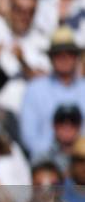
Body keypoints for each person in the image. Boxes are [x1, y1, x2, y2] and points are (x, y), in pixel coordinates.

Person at [20, 25, 85, 157]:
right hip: (47, 162)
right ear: (51, 57)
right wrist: (55, 153)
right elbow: (29, 137)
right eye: (58, 54)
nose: (64, 57)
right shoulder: (34, 89)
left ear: (76, 57)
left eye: (70, 53)